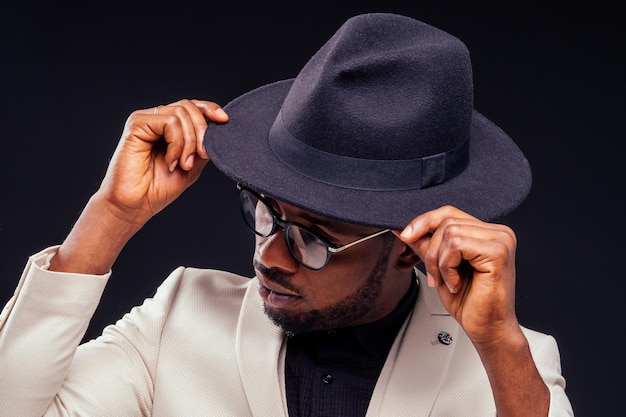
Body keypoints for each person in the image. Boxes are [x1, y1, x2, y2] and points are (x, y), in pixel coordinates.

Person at [0, 12, 573, 417]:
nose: (269, 256)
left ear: (407, 244)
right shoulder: (180, 319)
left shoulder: (506, 365)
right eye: (266, 213)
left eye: (313, 239)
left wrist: (500, 346)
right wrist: (112, 215)